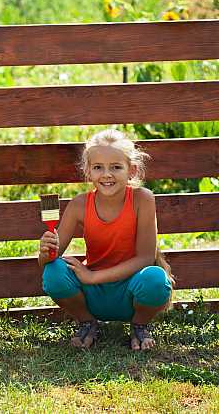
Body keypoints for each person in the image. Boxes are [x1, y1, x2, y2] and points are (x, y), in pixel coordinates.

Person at [39, 129, 173, 351]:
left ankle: (139, 325)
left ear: (132, 171)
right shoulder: (79, 205)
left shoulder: (142, 199)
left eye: (116, 167)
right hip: (93, 297)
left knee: (155, 279)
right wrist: (45, 252)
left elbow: (146, 258)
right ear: (88, 171)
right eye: (98, 167)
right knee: (53, 271)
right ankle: (87, 322)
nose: (106, 174)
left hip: (131, 291)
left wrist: (93, 277)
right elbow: (47, 263)